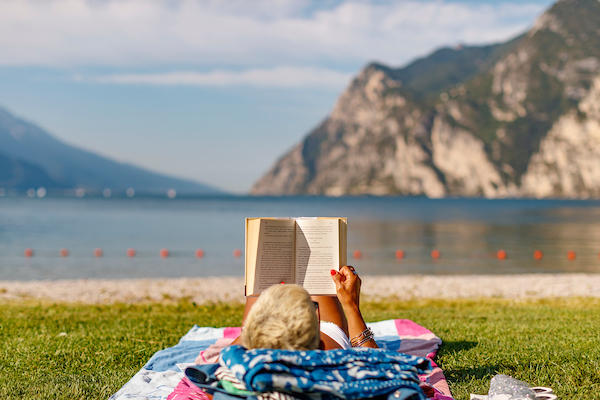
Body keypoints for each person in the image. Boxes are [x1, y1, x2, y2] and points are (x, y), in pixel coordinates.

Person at [233, 265, 378, 350]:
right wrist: (351, 306)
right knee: (317, 265)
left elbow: (211, 377)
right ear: (318, 344)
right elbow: (376, 367)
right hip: (264, 338)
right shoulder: (327, 367)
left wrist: (255, 333)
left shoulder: (241, 371)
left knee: (262, 269)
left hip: (260, 336)